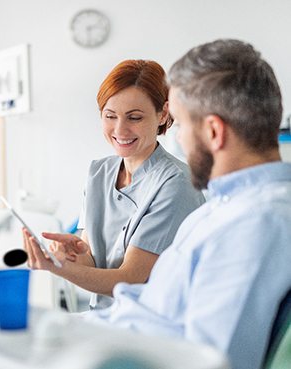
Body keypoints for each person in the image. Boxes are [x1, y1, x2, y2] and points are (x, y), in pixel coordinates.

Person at [80, 39, 291, 369]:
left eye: (179, 123)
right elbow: (148, 304)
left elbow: (212, 360)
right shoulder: (220, 208)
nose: (176, 137)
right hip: (110, 338)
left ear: (213, 132)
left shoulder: (257, 224)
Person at [24, 60, 205, 309]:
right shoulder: (99, 173)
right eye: (110, 116)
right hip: (105, 319)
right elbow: (92, 262)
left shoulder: (176, 183)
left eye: (135, 117)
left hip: (150, 329)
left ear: (163, 114)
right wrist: (74, 255)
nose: (120, 129)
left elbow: (128, 280)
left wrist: (60, 268)